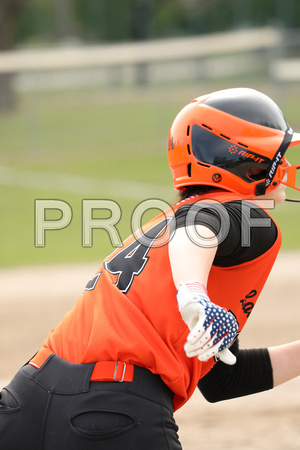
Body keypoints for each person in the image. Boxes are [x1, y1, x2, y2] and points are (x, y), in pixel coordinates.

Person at [1, 87, 300, 450]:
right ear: (245, 157)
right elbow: (201, 225)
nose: (285, 163)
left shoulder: (165, 224)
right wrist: (194, 295)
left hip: (26, 399)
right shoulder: (239, 216)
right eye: (277, 153)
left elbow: (223, 379)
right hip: (111, 412)